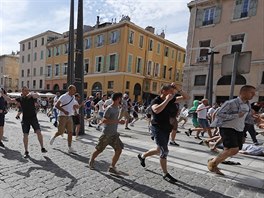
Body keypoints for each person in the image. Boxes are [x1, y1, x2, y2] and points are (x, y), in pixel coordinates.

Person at [137, 84, 188, 183]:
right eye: (171, 91)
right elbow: (156, 110)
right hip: (157, 128)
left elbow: (186, 97)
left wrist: (178, 89)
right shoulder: (156, 100)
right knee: (164, 151)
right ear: (164, 91)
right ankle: (165, 174)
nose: (173, 94)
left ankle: (142, 156)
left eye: (174, 92)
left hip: (166, 128)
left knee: (158, 150)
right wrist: (167, 100)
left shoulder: (172, 99)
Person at [208, 85, 256, 175]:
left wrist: (256, 120)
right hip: (227, 127)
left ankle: (214, 161)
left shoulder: (247, 104)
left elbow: (246, 118)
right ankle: (213, 164)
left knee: (231, 150)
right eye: (251, 92)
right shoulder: (231, 103)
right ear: (243, 92)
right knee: (233, 149)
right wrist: (236, 115)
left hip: (239, 129)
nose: (253, 95)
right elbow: (219, 114)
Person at [3, 86, 47, 158]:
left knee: (39, 132)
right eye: (25, 91)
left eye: (27, 90)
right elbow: (10, 100)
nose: (27, 92)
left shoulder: (31, 97)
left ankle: (42, 147)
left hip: (33, 118)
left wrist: (32, 94)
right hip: (25, 119)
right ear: (22, 91)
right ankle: (26, 151)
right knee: (25, 135)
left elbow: (38, 95)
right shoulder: (20, 99)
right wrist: (2, 94)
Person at [89, 92, 125, 174]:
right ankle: (91, 160)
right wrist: (118, 121)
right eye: (121, 98)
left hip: (114, 134)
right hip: (107, 133)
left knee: (119, 149)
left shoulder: (117, 108)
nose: (121, 99)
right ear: (118, 98)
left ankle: (112, 167)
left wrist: (120, 121)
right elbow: (104, 120)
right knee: (99, 150)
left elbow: (116, 119)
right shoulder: (110, 108)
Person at [49, 85, 78, 153]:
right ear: (69, 90)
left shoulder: (73, 97)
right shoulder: (63, 96)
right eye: (74, 90)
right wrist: (64, 111)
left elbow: (72, 105)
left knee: (70, 132)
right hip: (62, 116)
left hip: (70, 116)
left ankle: (70, 147)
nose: (75, 91)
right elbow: (56, 105)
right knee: (61, 132)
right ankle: (54, 136)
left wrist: (75, 109)